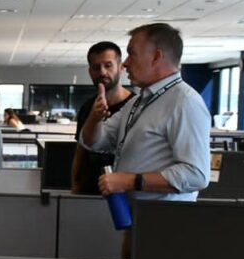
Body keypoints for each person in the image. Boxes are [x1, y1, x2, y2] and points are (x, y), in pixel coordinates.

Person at [81, 22, 210, 202]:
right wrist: (95, 119)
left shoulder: (184, 102)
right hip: (136, 216)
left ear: (156, 57)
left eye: (132, 54)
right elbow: (94, 142)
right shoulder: (138, 102)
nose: (125, 63)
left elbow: (196, 174)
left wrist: (131, 181)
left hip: (163, 219)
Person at [71, 42, 134, 194]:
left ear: (120, 67)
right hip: (88, 190)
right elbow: (80, 151)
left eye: (108, 65)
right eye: (96, 67)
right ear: (90, 71)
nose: (102, 72)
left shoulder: (135, 107)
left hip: (121, 193)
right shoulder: (88, 107)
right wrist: (75, 185)